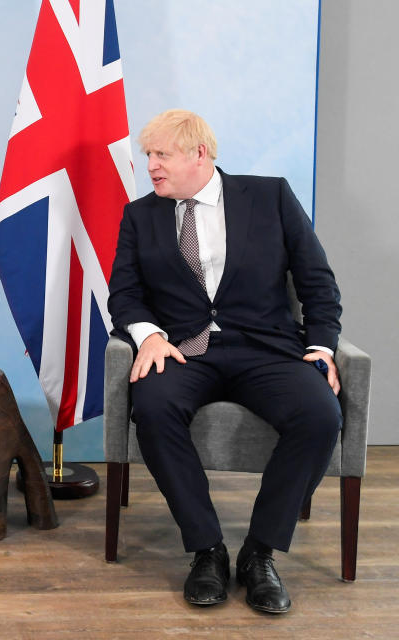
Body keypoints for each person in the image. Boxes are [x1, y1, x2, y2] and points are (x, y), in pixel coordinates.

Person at [107, 109, 342, 614]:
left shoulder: (270, 196)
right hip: (183, 352)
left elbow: (316, 280)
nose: (150, 166)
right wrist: (147, 336)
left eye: (161, 154)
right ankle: (206, 549)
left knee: (320, 415)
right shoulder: (140, 215)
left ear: (199, 154)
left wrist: (322, 346)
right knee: (152, 407)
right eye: (147, 155)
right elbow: (124, 293)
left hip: (266, 349)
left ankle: (260, 553)